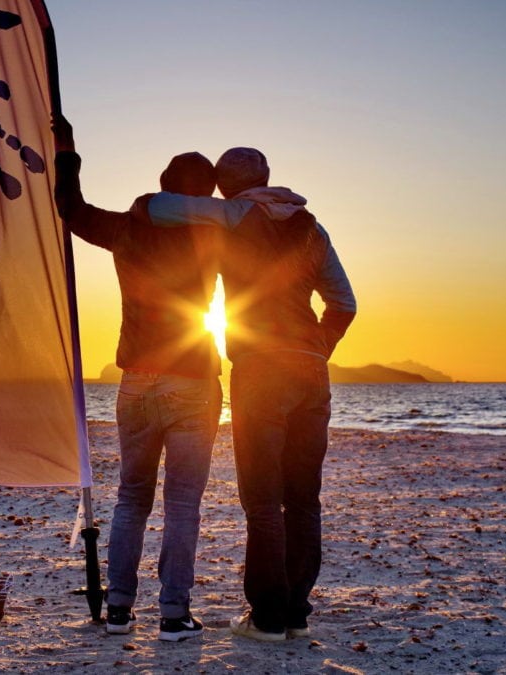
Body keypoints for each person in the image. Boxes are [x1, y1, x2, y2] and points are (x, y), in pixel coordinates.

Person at [142, 147, 357, 641]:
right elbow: (344, 303)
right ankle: (297, 613)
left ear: (223, 185)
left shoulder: (230, 214)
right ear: (268, 175)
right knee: (304, 498)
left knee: (263, 500)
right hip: (310, 370)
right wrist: (315, 349)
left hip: (260, 368)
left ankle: (267, 619)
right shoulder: (311, 226)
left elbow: (156, 207)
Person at [53, 115, 222, 642]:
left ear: (165, 182)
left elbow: (72, 210)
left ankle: (120, 608)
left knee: (132, 497)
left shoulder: (129, 226)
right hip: (193, 377)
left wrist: (68, 151)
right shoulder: (214, 233)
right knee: (182, 501)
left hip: (137, 379)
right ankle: (174, 614)